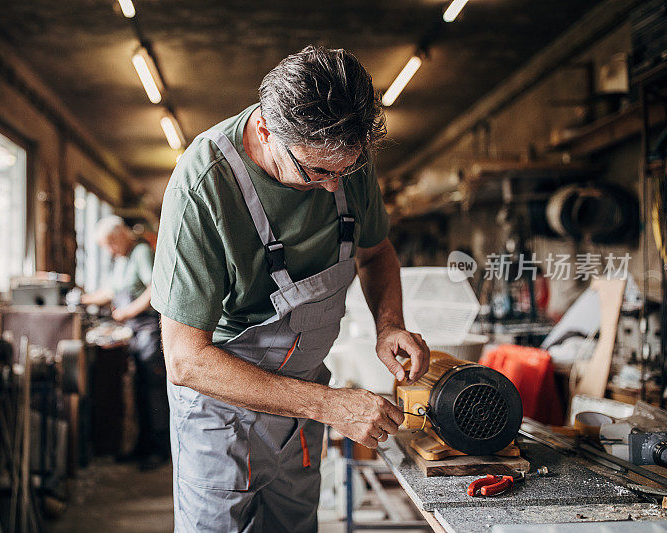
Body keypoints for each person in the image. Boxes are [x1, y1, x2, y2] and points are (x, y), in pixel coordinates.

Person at [151, 46, 431, 531]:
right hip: (221, 406)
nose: (332, 187)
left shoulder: (343, 158)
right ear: (265, 131)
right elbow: (185, 360)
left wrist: (389, 326)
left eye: (345, 170)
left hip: (302, 401)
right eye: (317, 172)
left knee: (294, 525)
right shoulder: (203, 187)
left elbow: (376, 252)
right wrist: (330, 405)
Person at [82, 216, 169, 469]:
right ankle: (142, 446)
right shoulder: (121, 260)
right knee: (140, 390)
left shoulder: (141, 252)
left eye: (110, 244)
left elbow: (155, 288)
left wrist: (127, 311)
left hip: (148, 331)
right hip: (133, 332)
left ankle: (160, 449)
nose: (110, 251)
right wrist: (83, 298)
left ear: (120, 235)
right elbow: (109, 291)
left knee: (154, 391)